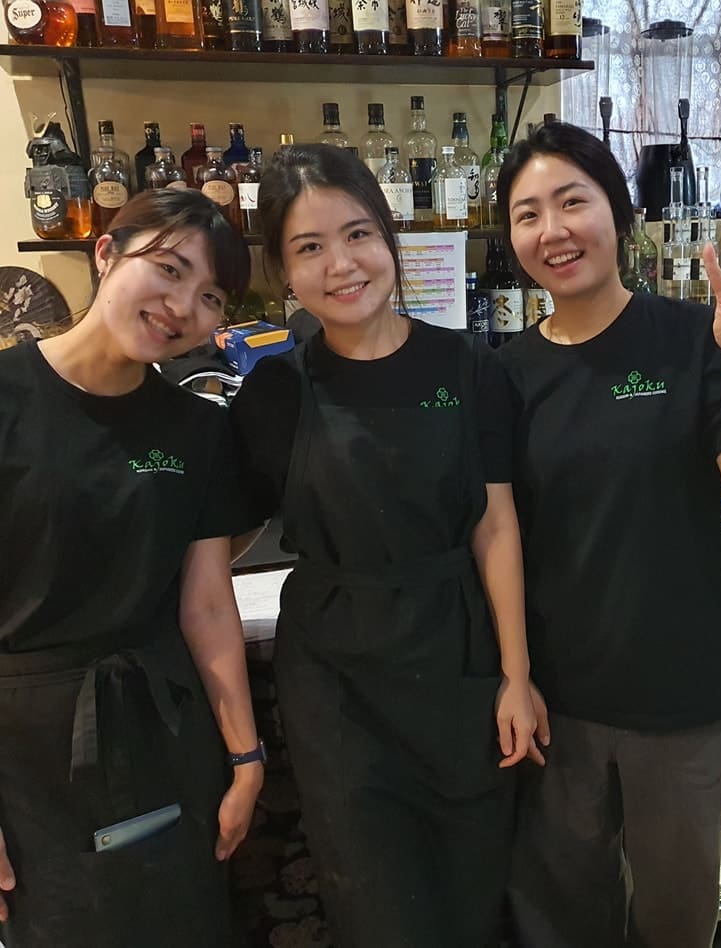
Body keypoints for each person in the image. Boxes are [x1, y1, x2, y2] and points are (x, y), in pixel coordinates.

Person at [228, 143, 542, 948]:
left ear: (389, 237)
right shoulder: (275, 390)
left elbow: (495, 525)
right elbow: (219, 536)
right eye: (310, 247)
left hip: (458, 661)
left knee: (472, 894)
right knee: (375, 907)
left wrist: (516, 677)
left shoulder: (469, 366)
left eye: (358, 234)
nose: (341, 265)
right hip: (336, 686)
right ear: (283, 271)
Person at [495, 120, 721, 947]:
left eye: (572, 202)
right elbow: (499, 534)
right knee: (563, 923)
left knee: (675, 922)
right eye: (527, 214)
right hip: (558, 705)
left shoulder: (690, 336)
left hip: (680, 700)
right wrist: (515, 678)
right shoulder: (506, 374)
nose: (553, 231)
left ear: (618, 212)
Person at [0, 188, 263, 947]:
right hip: (24, 750)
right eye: (170, 269)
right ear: (106, 253)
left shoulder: (196, 428)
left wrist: (246, 756)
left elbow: (206, 605)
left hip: (164, 727)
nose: (183, 307)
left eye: (210, 296)